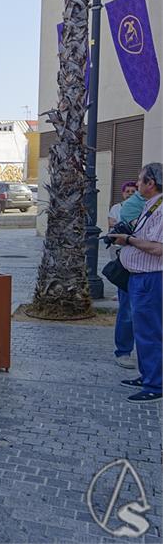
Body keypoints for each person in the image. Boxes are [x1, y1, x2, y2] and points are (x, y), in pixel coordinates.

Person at [109, 162, 163, 404]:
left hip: (151, 278)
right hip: (140, 278)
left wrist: (129, 240)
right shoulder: (151, 206)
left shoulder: (161, 210)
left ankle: (156, 384)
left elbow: (158, 248)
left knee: (150, 332)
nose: (137, 184)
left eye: (140, 181)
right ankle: (148, 375)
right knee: (143, 331)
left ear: (151, 184)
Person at [109, 181, 141, 368]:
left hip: (151, 270)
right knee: (127, 311)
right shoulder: (127, 207)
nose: (131, 192)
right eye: (128, 190)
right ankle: (123, 351)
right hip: (131, 266)